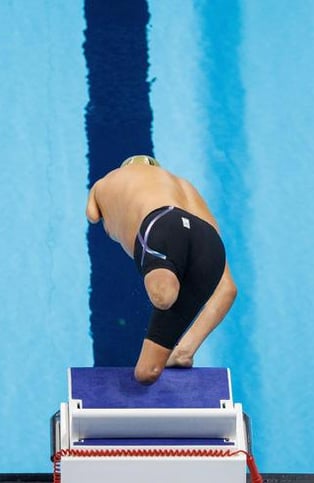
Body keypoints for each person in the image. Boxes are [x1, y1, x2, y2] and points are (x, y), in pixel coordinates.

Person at [86, 155, 237, 385]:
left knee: (164, 297)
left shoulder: (105, 182)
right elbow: (228, 289)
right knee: (146, 373)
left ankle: (168, 289)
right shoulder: (184, 186)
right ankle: (184, 352)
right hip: (207, 241)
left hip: (161, 224)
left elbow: (93, 215)